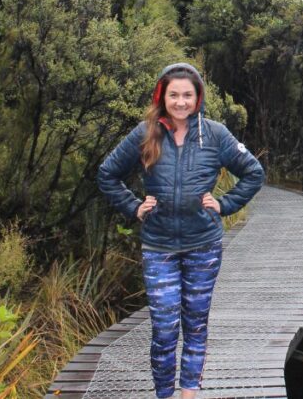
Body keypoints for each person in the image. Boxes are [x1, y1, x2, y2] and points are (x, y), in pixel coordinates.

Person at [97, 62, 265, 399]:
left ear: (198, 97)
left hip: (203, 245)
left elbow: (253, 171)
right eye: (174, 95)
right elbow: (107, 173)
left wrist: (224, 204)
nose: (181, 102)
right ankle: (164, 394)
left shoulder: (214, 134)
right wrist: (134, 207)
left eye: (187, 95)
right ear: (163, 96)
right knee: (163, 327)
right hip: (159, 246)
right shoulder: (145, 133)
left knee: (195, 324)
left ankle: (188, 393)